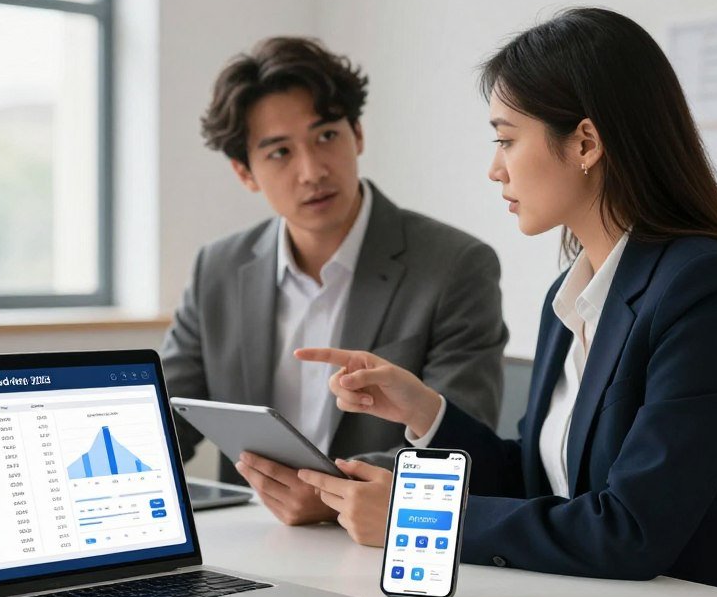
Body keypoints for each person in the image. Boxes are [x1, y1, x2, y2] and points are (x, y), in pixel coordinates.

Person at [295, 8, 717, 597]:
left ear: (585, 143)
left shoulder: (706, 288)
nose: (495, 169)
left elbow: (632, 528)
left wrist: (417, 520)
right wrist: (425, 412)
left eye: (506, 139)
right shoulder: (569, 296)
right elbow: (537, 483)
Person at [161, 36, 508, 526]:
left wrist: (333, 494)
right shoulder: (217, 267)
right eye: (280, 152)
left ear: (357, 134)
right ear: (245, 173)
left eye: (326, 136)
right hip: (251, 541)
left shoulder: (456, 265)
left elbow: (459, 437)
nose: (312, 171)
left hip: (376, 542)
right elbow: (166, 422)